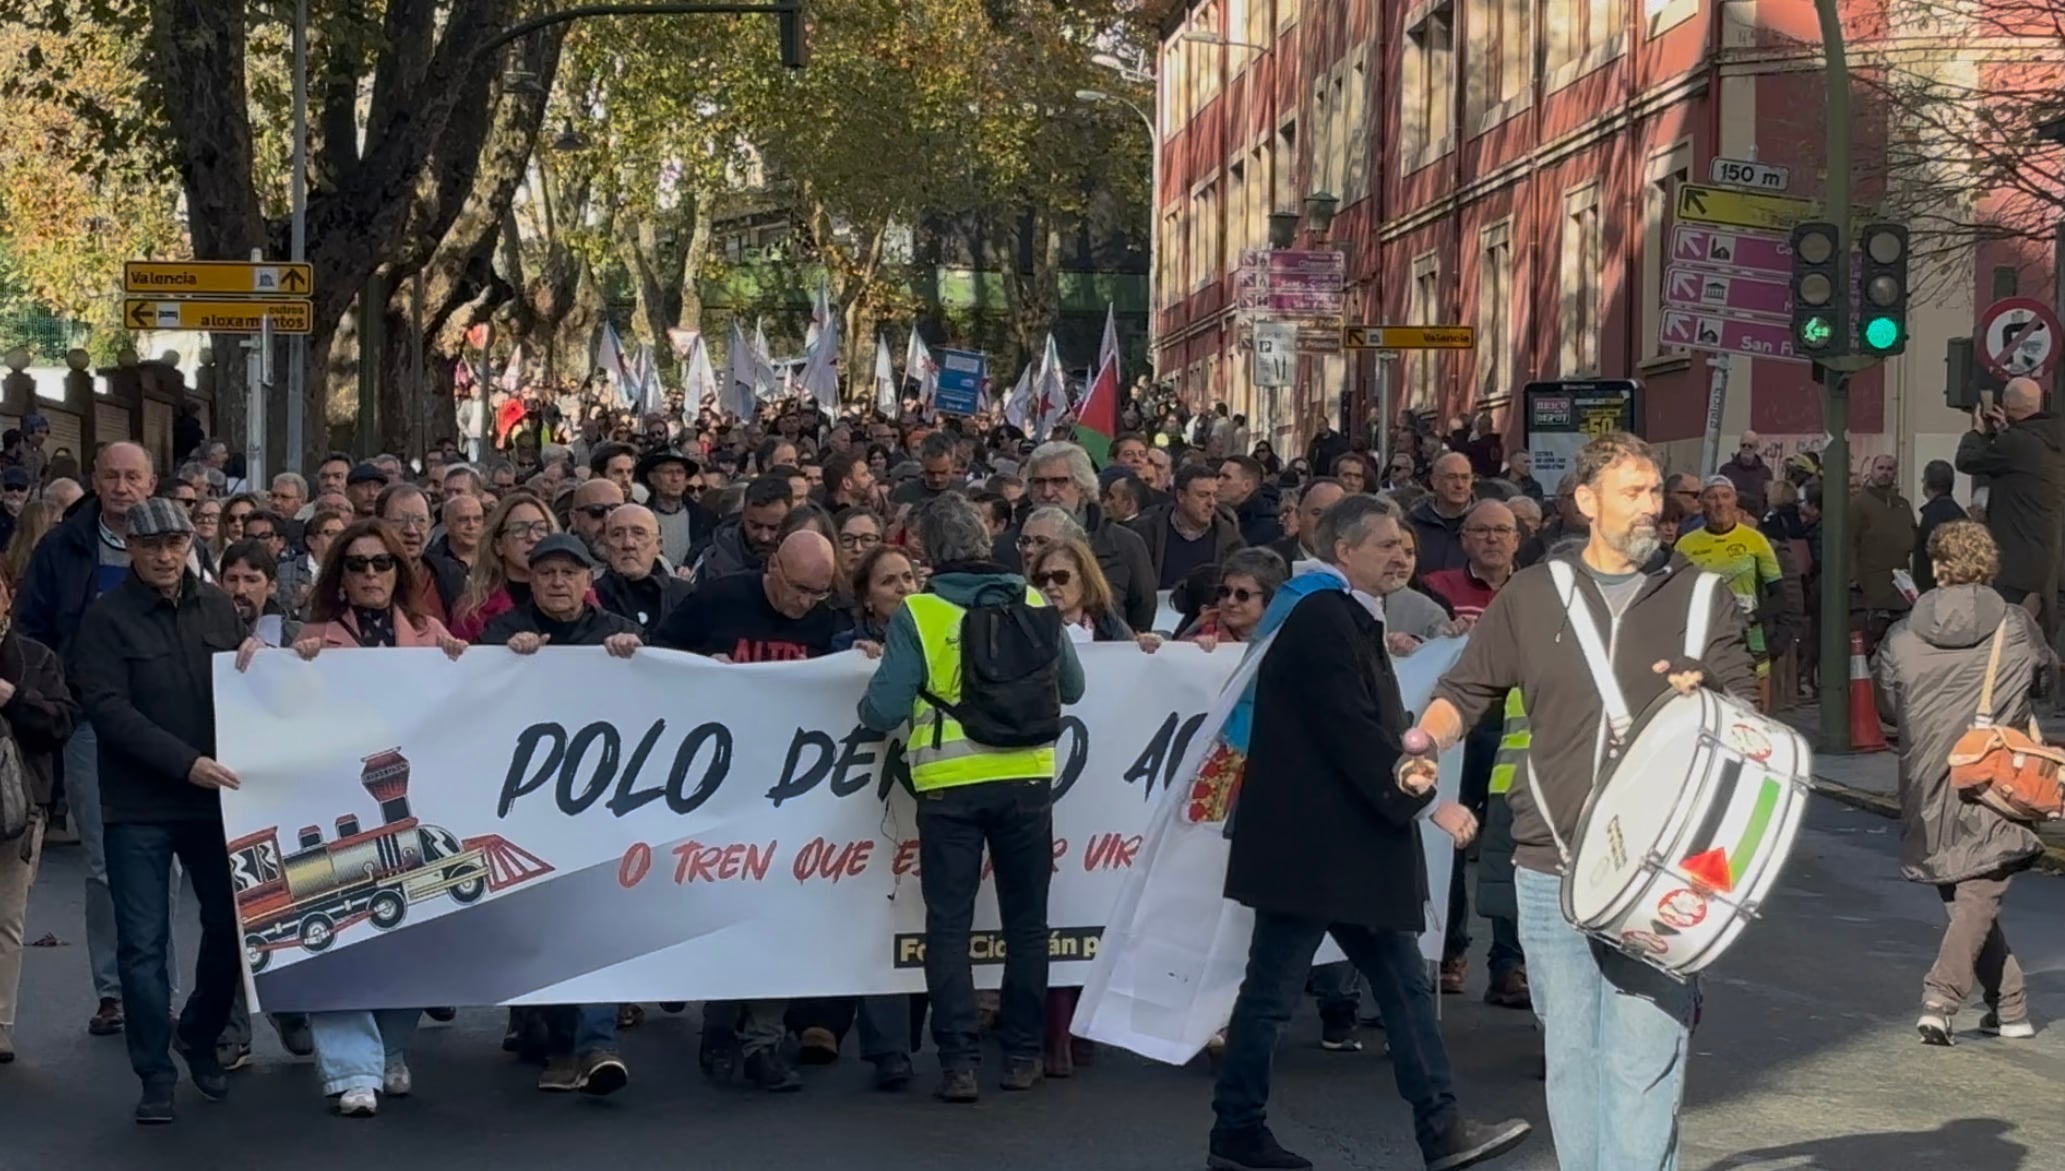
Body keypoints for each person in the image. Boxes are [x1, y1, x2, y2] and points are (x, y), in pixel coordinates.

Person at [1403, 431, 1754, 1171]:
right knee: (1570, 1057)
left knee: (1640, 1059)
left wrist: (1709, 694)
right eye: (1633, 492)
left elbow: (1749, 717)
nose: (1651, 507)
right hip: (1549, 863)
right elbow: (1464, 691)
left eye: (1655, 491)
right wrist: (1426, 740)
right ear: (1586, 501)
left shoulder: (1700, 595)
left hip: (1664, 871)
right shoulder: (1533, 595)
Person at [1209, 493, 1530, 1171]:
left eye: (1406, 545)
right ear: (1343, 552)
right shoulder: (1324, 616)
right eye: (1384, 544)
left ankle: (1436, 1128)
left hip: (1333, 846)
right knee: (1284, 994)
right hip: (1324, 847)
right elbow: (1352, 733)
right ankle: (1244, 1133)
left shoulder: (1341, 615)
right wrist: (1421, 798)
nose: (1401, 554)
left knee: (1386, 984)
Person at [856, 495, 1085, 1102]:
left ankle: (958, 1063)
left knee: (949, 927)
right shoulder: (1035, 601)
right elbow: (1075, 686)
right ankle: (1022, 1056)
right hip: (1028, 779)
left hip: (949, 788)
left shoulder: (920, 612)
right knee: (1028, 925)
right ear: (988, 542)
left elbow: (883, 709)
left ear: (929, 552)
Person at [274, 520, 467, 1114]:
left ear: (399, 570)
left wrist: (471, 663)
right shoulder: (313, 638)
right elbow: (275, 708)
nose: (370, 575)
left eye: (381, 563)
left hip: (418, 797)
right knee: (343, 943)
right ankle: (351, 1070)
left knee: (413, 937)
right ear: (340, 576)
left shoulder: (433, 635)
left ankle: (387, 1051)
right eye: (356, 565)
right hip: (335, 798)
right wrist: (285, 664)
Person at [67, 497, 247, 1124]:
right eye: (152, 545)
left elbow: (250, 689)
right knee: (142, 946)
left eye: (175, 543)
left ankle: (197, 1036)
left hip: (213, 801)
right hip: (138, 805)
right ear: (130, 550)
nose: (166, 555)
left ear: (191, 545)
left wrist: (269, 666)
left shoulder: (220, 607)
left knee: (230, 930)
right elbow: (110, 711)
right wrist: (185, 762)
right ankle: (155, 1072)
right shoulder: (105, 620)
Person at [654, 532, 846, 1091]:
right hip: (713, 786)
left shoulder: (825, 618)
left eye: (817, 592)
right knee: (722, 911)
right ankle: (719, 1024)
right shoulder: (719, 599)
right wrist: (698, 667)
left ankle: (763, 1041)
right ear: (772, 569)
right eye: (798, 590)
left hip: (791, 789)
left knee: (779, 916)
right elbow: (656, 655)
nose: (805, 604)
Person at [476, 533, 642, 1096]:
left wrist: (634, 655)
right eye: (546, 572)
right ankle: (553, 1037)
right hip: (529, 806)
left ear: (587, 579)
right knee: (542, 927)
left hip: (601, 802)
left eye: (569, 572)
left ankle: (594, 1045)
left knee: (594, 922)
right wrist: (506, 660)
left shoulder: (617, 631)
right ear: (530, 579)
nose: (557, 582)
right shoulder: (505, 633)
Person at [1872, 521, 2049, 1046]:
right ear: (1988, 564)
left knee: (1969, 888)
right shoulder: (2015, 626)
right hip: (1994, 773)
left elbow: (1888, 706)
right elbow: (2044, 678)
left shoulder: (1902, 634)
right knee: (1976, 892)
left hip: (1928, 776)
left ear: (1936, 566)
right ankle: (1962, 999)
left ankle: (1981, 1001)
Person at [17, 441, 157, 1039]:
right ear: (96, 482)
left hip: (166, 727)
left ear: (152, 484)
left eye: (134, 477)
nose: (123, 487)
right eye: (112, 477)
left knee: (164, 864)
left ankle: (159, 986)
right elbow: (31, 627)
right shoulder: (63, 548)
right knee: (104, 864)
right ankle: (114, 991)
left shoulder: (178, 544)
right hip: (91, 724)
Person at [1420, 500, 1528, 1007]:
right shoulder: (1438, 589)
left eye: (1501, 531)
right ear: (1463, 540)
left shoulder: (1538, 592)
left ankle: (1509, 963)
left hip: (1521, 736)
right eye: (1480, 531)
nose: (1491, 540)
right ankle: (1449, 951)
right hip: (1459, 731)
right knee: (1452, 840)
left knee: (1516, 847)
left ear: (1517, 540)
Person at [0, 563, 78, 1065]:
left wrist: (13, 696)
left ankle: (0, 1023)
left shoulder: (34, 658)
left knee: (6, 917)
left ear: (7, 598)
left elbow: (61, 723)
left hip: (17, 805)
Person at [1001, 442, 1157, 632]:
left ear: (1082, 486)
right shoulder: (1003, 548)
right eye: (1038, 482)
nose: (1047, 492)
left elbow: (1143, 613)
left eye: (1059, 482)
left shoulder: (1126, 545)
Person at [1956, 377, 2065, 639]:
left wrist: (1978, 432)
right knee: (2042, 647)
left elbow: (1967, 461)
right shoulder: (2052, 439)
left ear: (2007, 403)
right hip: (2049, 562)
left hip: (2016, 566)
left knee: (2010, 645)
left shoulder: (2015, 443)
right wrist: (2007, 431)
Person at [1675, 477, 1787, 710]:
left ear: (1735, 501)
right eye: (1712, 497)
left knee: (1758, 712)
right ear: (1702, 502)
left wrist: (1752, 618)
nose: (1719, 504)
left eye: (1726, 496)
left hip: (1750, 636)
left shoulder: (1755, 540)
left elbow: (1780, 595)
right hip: (1705, 638)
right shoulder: (1685, 545)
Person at [450, 492, 557, 642]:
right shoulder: (472, 611)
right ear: (498, 545)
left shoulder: (580, 596)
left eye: (541, 529)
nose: (532, 538)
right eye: (519, 529)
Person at [1131, 465, 1243, 591]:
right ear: (1181, 496)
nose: (1212, 503)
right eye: (1203, 495)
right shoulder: (1147, 531)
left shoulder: (1230, 539)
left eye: (1215, 495)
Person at [1851, 454, 1919, 645]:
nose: (1885, 473)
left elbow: (1912, 536)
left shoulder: (1902, 504)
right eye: (1880, 468)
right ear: (1872, 471)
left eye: (1889, 469)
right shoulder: (1859, 504)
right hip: (1871, 590)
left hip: (1901, 587)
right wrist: (1854, 580)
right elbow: (1850, 543)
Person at [595, 505, 693, 635]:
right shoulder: (590, 599)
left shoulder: (687, 595)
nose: (628, 544)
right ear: (606, 547)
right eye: (617, 534)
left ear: (658, 545)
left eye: (639, 533)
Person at [378, 484, 464, 628]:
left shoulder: (451, 575)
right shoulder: (363, 577)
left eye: (420, 521)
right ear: (379, 524)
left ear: (431, 524)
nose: (411, 530)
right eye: (399, 520)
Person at [692, 474, 794, 585]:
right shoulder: (712, 560)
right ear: (743, 514)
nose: (764, 537)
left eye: (774, 528)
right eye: (755, 526)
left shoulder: (807, 557)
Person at [1181, 547, 1287, 647]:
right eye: (1225, 592)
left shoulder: (1289, 636)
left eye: (1242, 595)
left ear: (1270, 598)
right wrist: (1193, 650)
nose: (1230, 601)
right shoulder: (1200, 633)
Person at [638, 449, 713, 567]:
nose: (675, 478)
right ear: (652, 478)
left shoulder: (704, 518)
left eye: (680, 472)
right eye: (668, 472)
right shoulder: (640, 519)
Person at [1408, 453, 1477, 576]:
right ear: (1434, 481)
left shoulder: (1486, 521)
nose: (1459, 485)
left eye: (1465, 478)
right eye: (1451, 477)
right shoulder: (1413, 523)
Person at [1913, 459, 1966, 597]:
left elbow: (1936, 551)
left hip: (1936, 591)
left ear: (1926, 483)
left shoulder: (1933, 513)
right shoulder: (1959, 513)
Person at [1268, 478, 1345, 567]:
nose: (1325, 523)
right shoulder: (1269, 561)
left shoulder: (1359, 563)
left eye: (1334, 516)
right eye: (1317, 513)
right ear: (1298, 515)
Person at [1219, 455, 1283, 548]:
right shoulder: (1216, 516)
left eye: (1226, 477)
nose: (1218, 482)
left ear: (1246, 485)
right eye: (1218, 476)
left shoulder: (1268, 526)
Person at [566, 477, 625, 557]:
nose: (608, 520)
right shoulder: (559, 561)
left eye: (616, 511)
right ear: (574, 518)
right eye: (597, 512)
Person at [1719, 430, 1773, 514]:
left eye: (1750, 446)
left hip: (1757, 519)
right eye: (1743, 445)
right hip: (1732, 517)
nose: (1746, 448)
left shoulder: (1765, 472)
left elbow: (1769, 499)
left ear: (1756, 447)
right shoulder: (1726, 470)